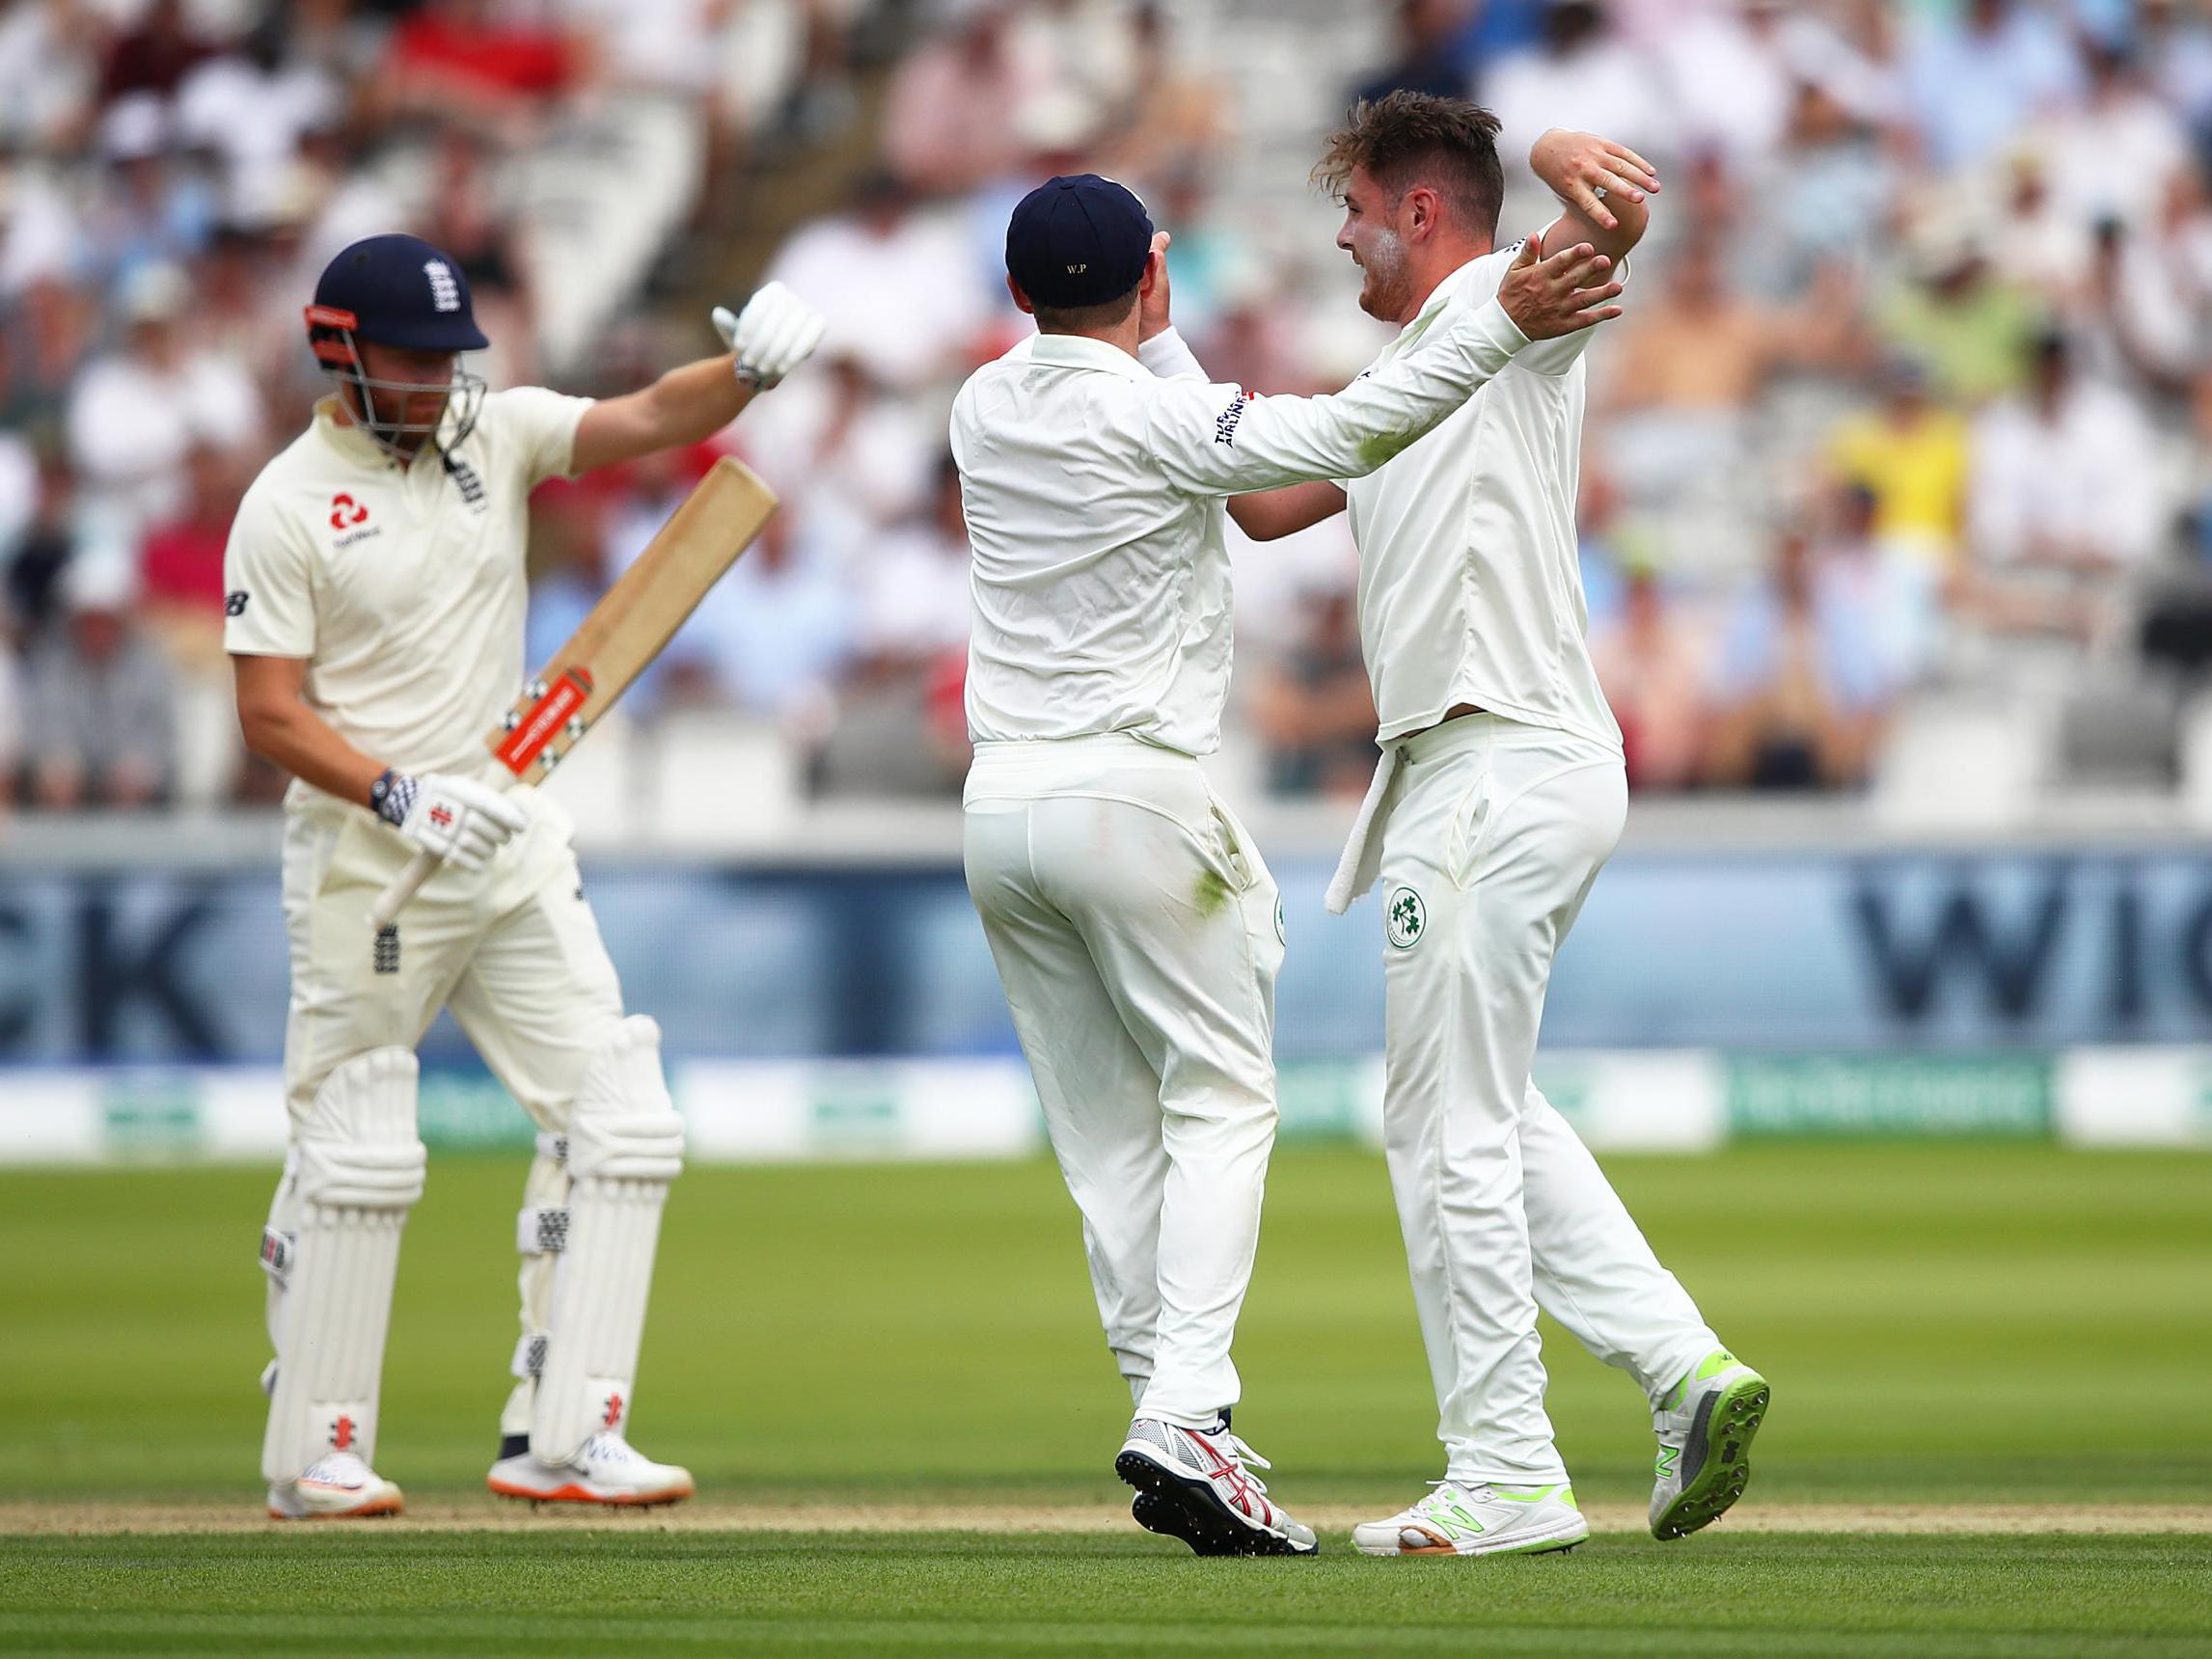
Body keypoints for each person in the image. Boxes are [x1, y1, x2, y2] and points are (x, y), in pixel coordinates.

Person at [954, 171, 1621, 1556]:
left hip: (998, 809)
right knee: (1219, 1107)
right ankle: (1189, 1411)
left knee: (1104, 1145)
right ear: (1153, 274)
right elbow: (1343, 428)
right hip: (1131, 799)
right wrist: (1494, 319)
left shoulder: (983, 404)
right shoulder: (1150, 412)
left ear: (1019, 294)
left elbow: (1249, 485)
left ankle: (1173, 1413)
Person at [1226, 94, 1768, 1557]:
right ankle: (1681, 1368)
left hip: (1494, 760)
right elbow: (1266, 506)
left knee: (1445, 1127)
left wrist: (1548, 158)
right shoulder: (1409, 362)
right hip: (1480, 772)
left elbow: (1607, 230)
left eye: (1352, 207)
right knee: (1467, 1106)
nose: (1337, 235)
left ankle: (1508, 1472)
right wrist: (1143, 358)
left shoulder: (1502, 301)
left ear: (1418, 210)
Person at [224, 231, 824, 1520]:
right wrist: (396, 790)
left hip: (502, 835)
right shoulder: (285, 502)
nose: (439, 382)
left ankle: (563, 1432)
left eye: (450, 359)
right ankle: (316, 1447)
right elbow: (266, 712)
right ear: (339, 353)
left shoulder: (490, 434)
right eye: (411, 360)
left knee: (619, 1115)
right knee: (355, 1147)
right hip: (364, 858)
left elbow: (654, 414)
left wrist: (748, 372)